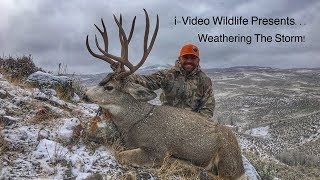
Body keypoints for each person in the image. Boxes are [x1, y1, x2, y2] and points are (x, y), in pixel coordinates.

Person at [130, 43, 215, 118]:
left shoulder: (205, 80)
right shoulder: (168, 74)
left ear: (198, 61)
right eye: (186, 57)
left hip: (191, 124)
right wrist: (129, 78)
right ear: (179, 59)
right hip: (167, 120)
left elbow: (208, 107)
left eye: (193, 58)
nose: (189, 61)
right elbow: (148, 81)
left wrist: (199, 124)